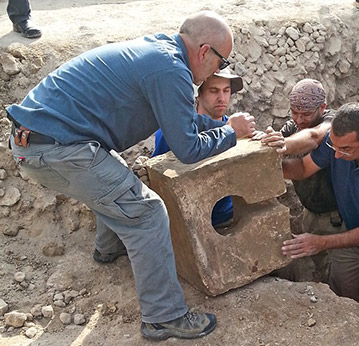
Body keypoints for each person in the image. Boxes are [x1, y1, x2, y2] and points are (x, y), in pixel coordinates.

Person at [6, 10, 255, 341]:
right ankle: (164, 317)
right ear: (204, 51)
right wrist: (231, 134)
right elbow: (189, 149)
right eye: (220, 61)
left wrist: (224, 127)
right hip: (53, 148)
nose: (217, 71)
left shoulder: (162, 55)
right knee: (147, 212)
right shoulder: (171, 70)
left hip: (46, 139)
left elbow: (183, 121)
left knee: (115, 180)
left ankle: (108, 249)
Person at [280, 102, 359, 316]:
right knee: (341, 296)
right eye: (334, 147)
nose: (336, 156)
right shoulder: (337, 142)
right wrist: (272, 164)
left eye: (345, 150)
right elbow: (304, 167)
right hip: (351, 234)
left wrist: (320, 242)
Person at [261, 79, 341, 283]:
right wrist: (268, 139)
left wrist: (284, 145)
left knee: (342, 276)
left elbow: (314, 137)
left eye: (305, 114)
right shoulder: (294, 125)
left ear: (321, 108)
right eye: (294, 113)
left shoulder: (333, 122)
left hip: (337, 219)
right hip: (310, 213)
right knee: (322, 268)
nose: (299, 119)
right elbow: (282, 135)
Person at [152, 68, 243, 228]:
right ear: (198, 94)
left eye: (226, 91)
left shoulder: (240, 130)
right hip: (186, 221)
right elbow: (156, 178)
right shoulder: (172, 132)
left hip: (229, 217)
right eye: (214, 91)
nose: (221, 98)